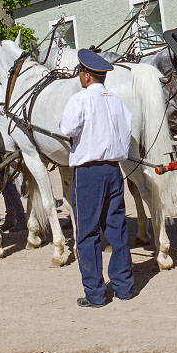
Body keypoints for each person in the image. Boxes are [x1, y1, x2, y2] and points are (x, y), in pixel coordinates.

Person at [59, 49, 135, 307]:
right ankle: (124, 287)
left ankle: (95, 293)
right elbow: (126, 135)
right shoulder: (117, 102)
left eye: (80, 72)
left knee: (87, 233)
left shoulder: (80, 100)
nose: (79, 76)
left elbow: (67, 128)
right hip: (114, 169)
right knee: (117, 229)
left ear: (87, 75)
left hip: (88, 171)